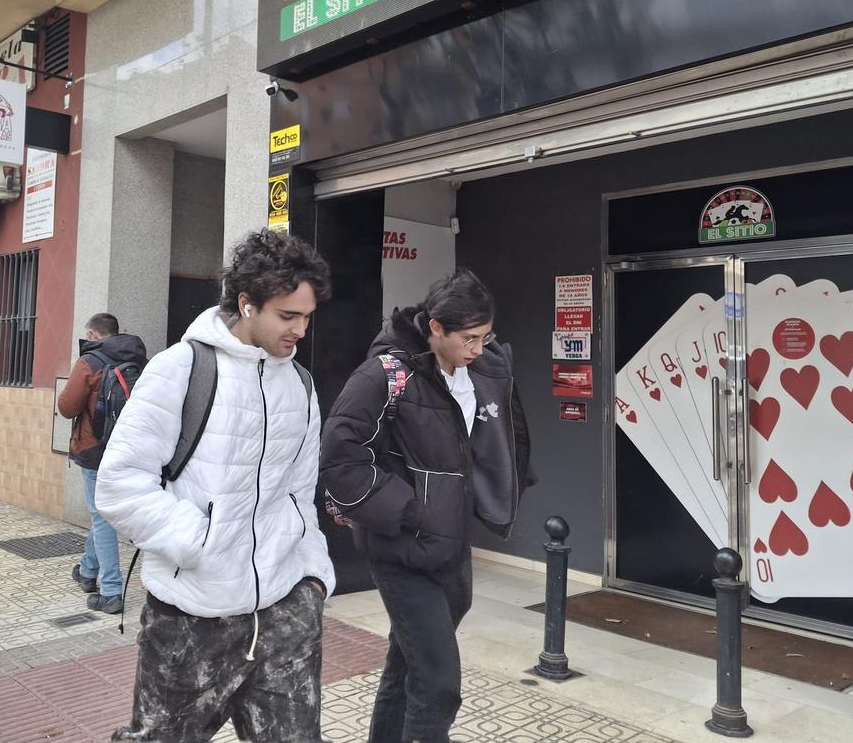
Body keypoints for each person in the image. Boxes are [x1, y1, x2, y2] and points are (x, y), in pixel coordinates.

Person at [96, 229, 335, 743]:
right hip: (190, 619)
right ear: (247, 304)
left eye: (308, 316)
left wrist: (313, 577)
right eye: (287, 316)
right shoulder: (180, 370)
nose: (301, 330)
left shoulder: (301, 385)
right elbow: (119, 485)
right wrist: (199, 541)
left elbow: (300, 490)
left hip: (284, 610)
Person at [320, 269, 533, 743]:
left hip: (452, 550)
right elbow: (341, 457)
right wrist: (411, 510)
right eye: (469, 338)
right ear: (436, 327)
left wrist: (500, 491)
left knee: (408, 668)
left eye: (486, 336)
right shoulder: (386, 374)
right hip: (401, 551)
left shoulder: (482, 370)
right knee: (439, 686)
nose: (478, 348)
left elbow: (500, 440)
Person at [58, 313, 148, 614]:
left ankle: (110, 590)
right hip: (128, 450)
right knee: (103, 514)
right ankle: (87, 570)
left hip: (95, 449)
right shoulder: (137, 359)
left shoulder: (90, 362)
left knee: (102, 517)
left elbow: (67, 407)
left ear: (94, 335)